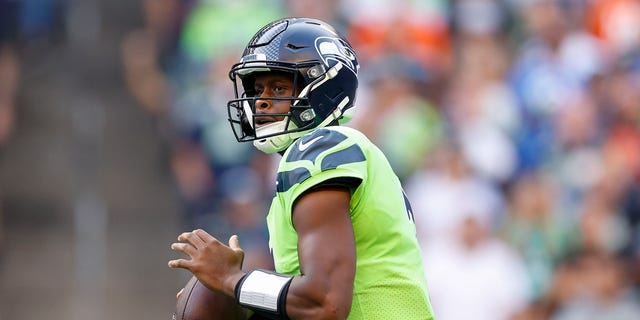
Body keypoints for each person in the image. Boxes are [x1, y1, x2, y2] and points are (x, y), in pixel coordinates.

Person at [168, 17, 435, 319]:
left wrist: (231, 280)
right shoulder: (339, 152)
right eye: (257, 90)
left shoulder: (321, 147)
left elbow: (326, 302)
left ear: (324, 86)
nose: (260, 104)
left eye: (278, 88)